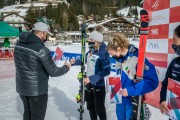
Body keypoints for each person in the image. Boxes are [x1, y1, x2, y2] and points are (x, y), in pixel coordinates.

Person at [14, 22, 75, 120]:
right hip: (37, 91)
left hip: (23, 88)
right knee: (37, 117)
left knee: (27, 113)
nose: (47, 37)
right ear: (42, 34)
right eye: (46, 34)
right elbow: (54, 72)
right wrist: (67, 67)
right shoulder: (42, 49)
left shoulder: (18, 44)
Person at [106, 33, 159, 120]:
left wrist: (131, 90)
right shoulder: (120, 58)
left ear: (119, 49)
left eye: (113, 54)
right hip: (119, 100)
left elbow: (152, 81)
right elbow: (121, 77)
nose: (113, 57)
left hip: (132, 101)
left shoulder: (138, 58)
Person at [84, 31, 111, 120]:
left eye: (91, 39)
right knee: (90, 107)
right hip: (88, 84)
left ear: (97, 41)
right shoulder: (90, 51)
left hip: (98, 85)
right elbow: (85, 63)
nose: (89, 40)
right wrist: (74, 62)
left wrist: (92, 78)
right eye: (89, 39)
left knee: (99, 109)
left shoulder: (103, 52)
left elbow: (106, 70)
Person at [160, 25, 180, 115]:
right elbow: (165, 84)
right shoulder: (175, 62)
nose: (173, 44)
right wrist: (163, 100)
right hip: (175, 113)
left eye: (175, 41)